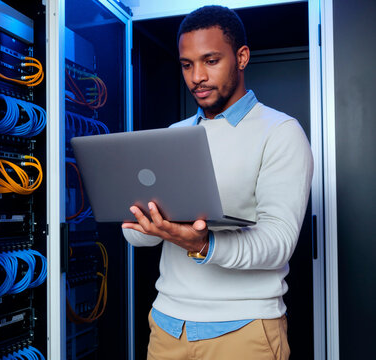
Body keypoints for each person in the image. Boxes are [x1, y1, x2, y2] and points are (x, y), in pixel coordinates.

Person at [121, 5, 313, 360]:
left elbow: (278, 242)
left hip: (243, 331)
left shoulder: (281, 132)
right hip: (166, 327)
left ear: (241, 57)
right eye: (187, 64)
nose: (197, 77)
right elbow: (136, 236)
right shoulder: (173, 135)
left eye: (210, 61)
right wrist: (150, 224)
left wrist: (203, 244)